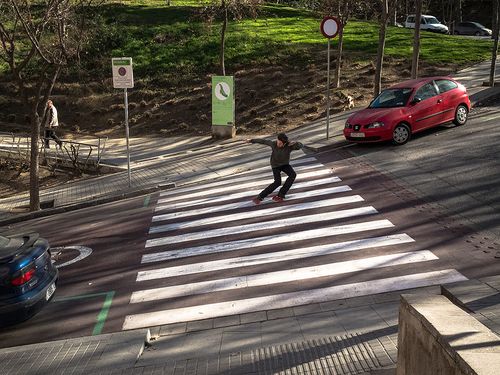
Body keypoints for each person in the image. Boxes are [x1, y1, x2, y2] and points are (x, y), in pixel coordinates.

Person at [246, 133, 303, 204]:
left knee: (293, 175)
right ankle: (260, 197)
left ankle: (281, 195)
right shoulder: (273, 144)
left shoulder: (289, 146)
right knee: (277, 182)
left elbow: (301, 146)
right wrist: (251, 140)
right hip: (275, 165)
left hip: (285, 164)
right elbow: (263, 141)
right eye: (278, 142)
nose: (278, 144)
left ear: (284, 143)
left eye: (280, 144)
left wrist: (296, 143)